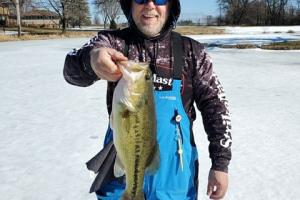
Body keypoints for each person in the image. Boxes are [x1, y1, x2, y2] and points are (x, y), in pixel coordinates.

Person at [63, 0, 232, 199]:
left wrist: (220, 163)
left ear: (171, 6)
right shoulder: (112, 42)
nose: (150, 5)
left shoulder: (191, 52)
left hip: (175, 178)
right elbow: (70, 70)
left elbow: (216, 106)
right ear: (130, 5)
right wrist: (91, 59)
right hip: (121, 177)